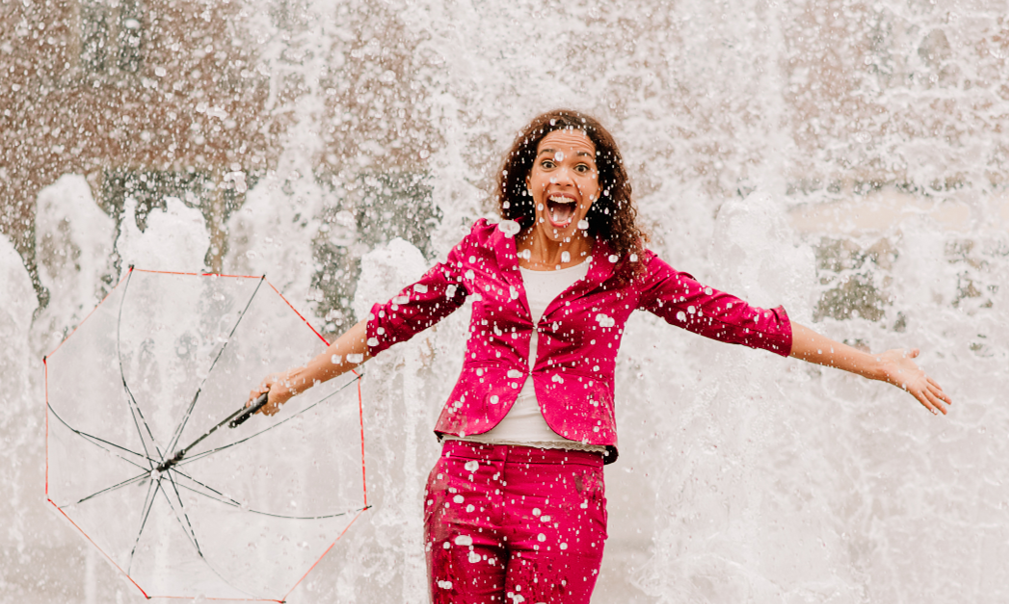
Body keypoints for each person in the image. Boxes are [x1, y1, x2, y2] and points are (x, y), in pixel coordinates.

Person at [248, 109, 952, 603]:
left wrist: (876, 362)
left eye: (580, 166)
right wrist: (292, 380)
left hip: (563, 484)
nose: (564, 175)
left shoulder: (626, 270)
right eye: (548, 162)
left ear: (597, 186)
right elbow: (388, 323)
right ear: (526, 180)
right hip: (465, 476)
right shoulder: (479, 252)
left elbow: (741, 322)